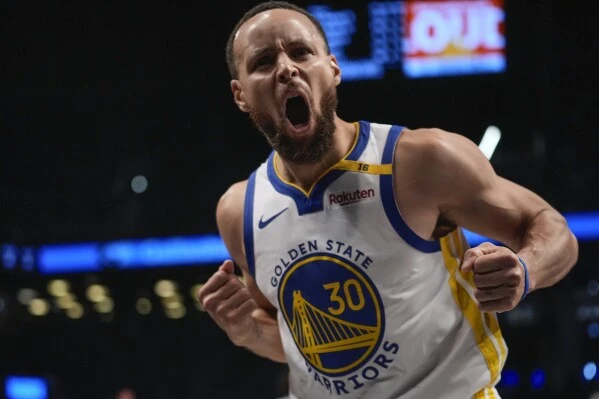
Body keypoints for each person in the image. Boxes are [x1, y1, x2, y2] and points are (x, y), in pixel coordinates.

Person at [198, 2, 579, 398]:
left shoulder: (419, 162)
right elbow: (306, 345)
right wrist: (248, 332)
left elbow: (552, 229)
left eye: (301, 52)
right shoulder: (239, 210)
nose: (286, 69)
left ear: (333, 69)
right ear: (240, 95)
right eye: (263, 61)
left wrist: (525, 268)